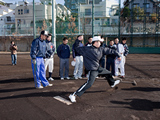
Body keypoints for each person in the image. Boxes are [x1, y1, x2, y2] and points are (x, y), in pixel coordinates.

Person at [69, 36, 121, 103]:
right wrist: (77, 40)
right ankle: (73, 95)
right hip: (92, 69)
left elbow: (111, 51)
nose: (100, 43)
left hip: (97, 68)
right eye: (99, 42)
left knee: (108, 73)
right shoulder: (87, 49)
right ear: (95, 42)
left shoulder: (101, 49)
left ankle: (112, 83)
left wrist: (118, 55)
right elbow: (76, 48)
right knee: (89, 84)